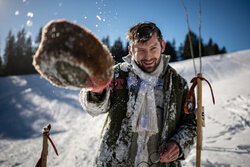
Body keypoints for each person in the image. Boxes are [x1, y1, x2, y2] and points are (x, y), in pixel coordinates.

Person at [79, 22, 196, 167]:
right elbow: (93, 109)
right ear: (130, 50)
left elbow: (192, 121)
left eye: (153, 48)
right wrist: (96, 92)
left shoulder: (178, 84)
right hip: (114, 162)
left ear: (163, 46)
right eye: (140, 50)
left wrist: (179, 144)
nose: (148, 56)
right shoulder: (115, 75)